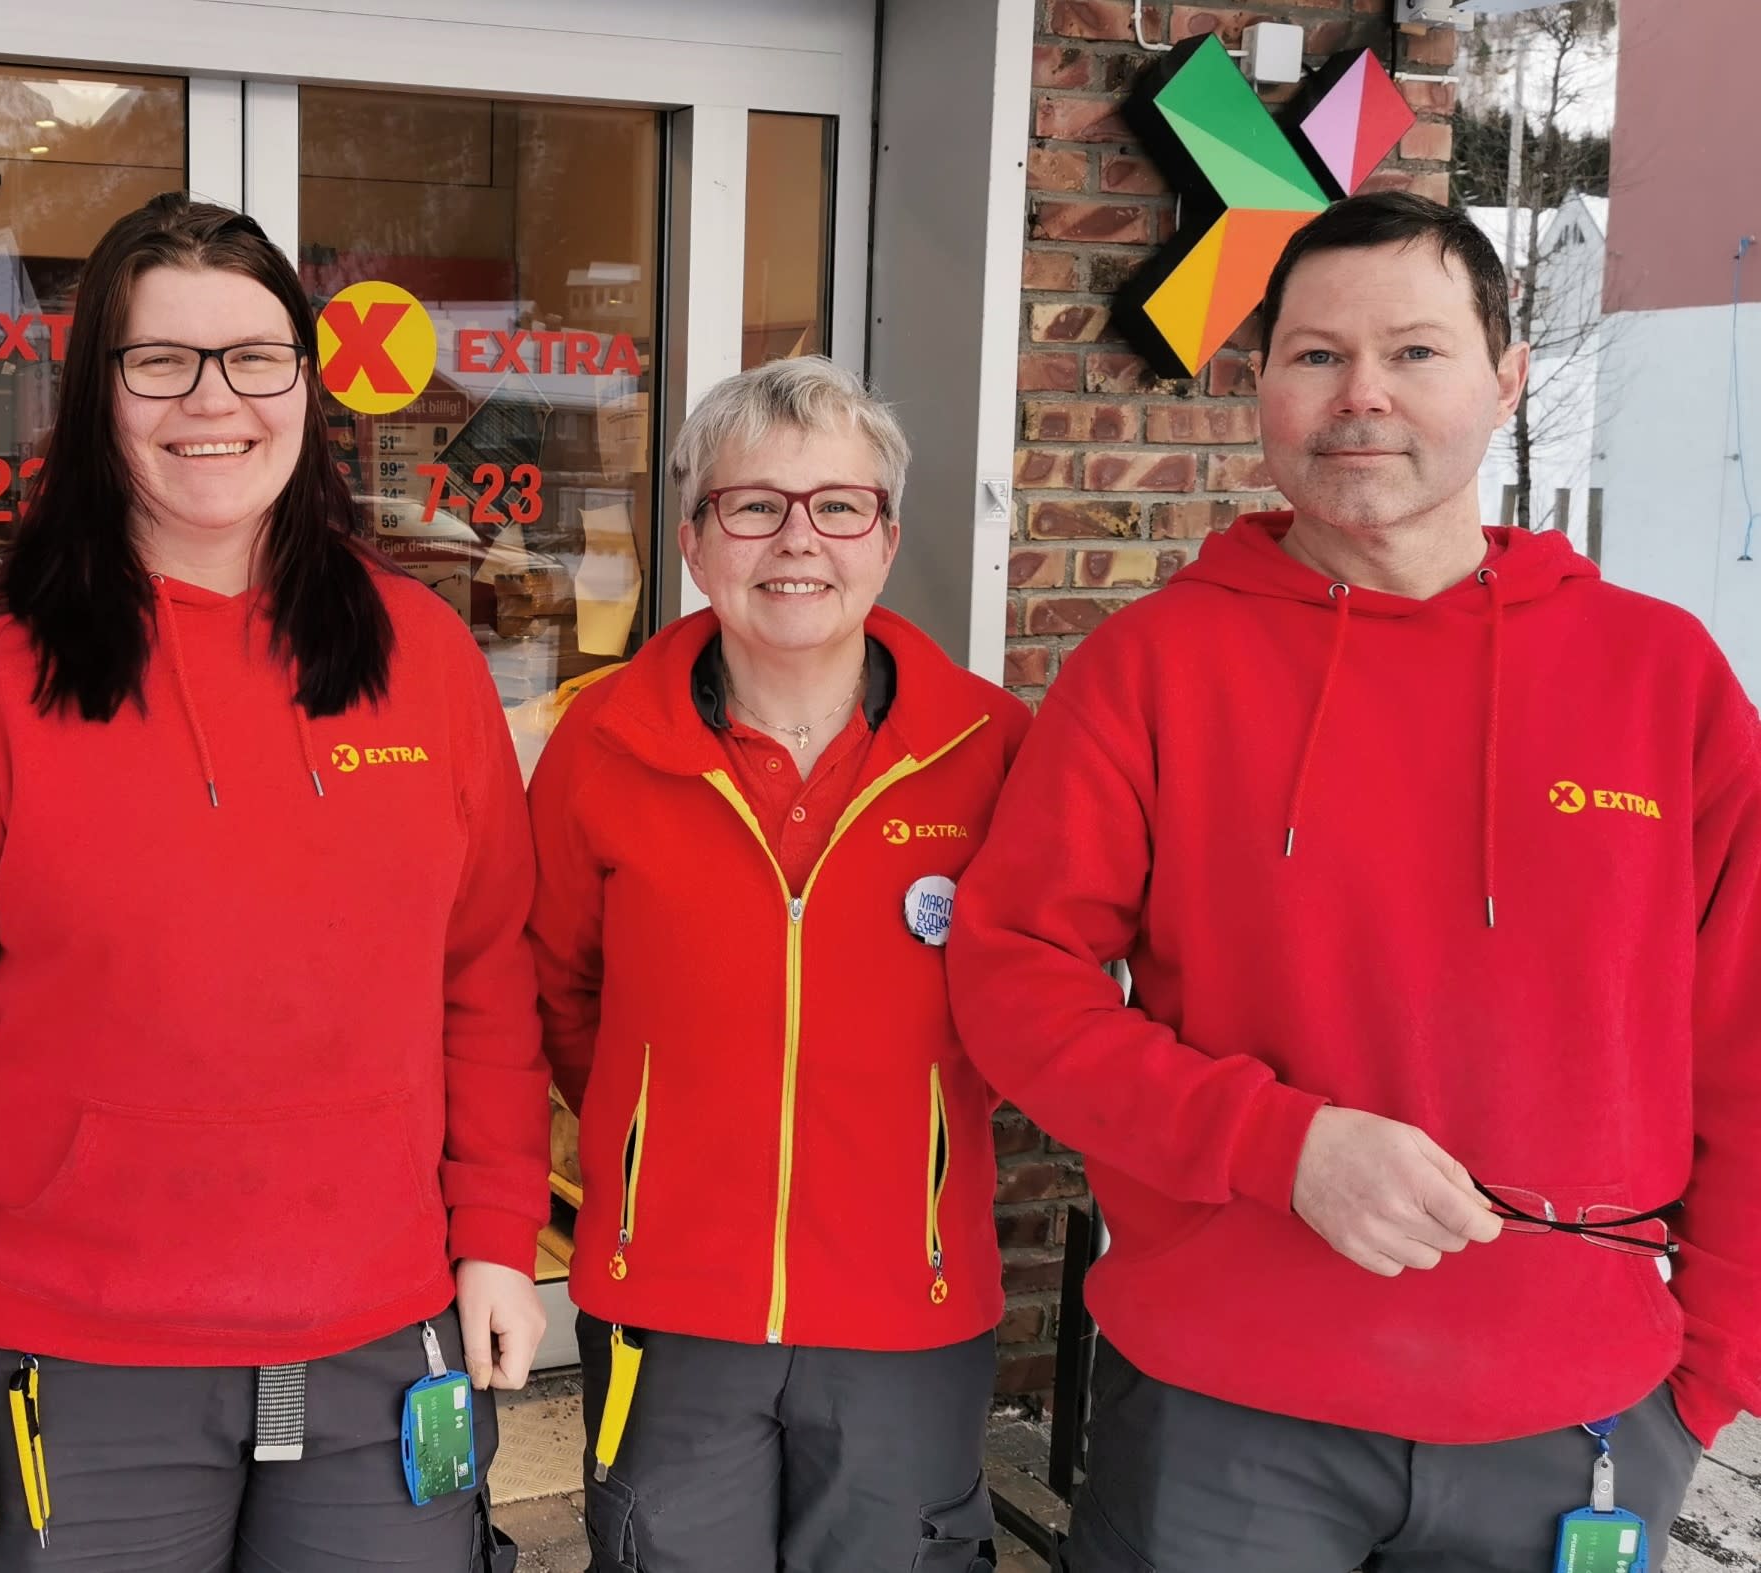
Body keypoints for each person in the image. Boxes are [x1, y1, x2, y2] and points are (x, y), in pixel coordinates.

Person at [950, 192, 1760, 1572]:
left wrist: (1710, 1373)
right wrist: (1278, 1146)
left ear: (1507, 378)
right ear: (1260, 383)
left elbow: (1743, 1039)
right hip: (1223, 1423)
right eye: (1317, 355)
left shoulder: (1658, 676)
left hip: (1575, 1424)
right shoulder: (1150, 669)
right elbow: (1015, 982)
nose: (1360, 396)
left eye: (1414, 352)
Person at [0, 194, 548, 1573]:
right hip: (76, 1358)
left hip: (382, 1345)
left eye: (254, 357)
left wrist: (499, 1233)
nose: (213, 400)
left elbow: (485, 977)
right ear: (96, 391)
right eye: (160, 360)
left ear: (307, 385)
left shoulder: (422, 655)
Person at [526, 355, 1028, 1572]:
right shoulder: (597, 742)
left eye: (837, 505)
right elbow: (558, 990)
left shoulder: (993, 750)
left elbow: (1036, 1005)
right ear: (695, 542)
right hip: (667, 1299)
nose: (797, 540)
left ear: (886, 538)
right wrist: (657, 1138)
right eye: (754, 504)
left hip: (908, 1300)